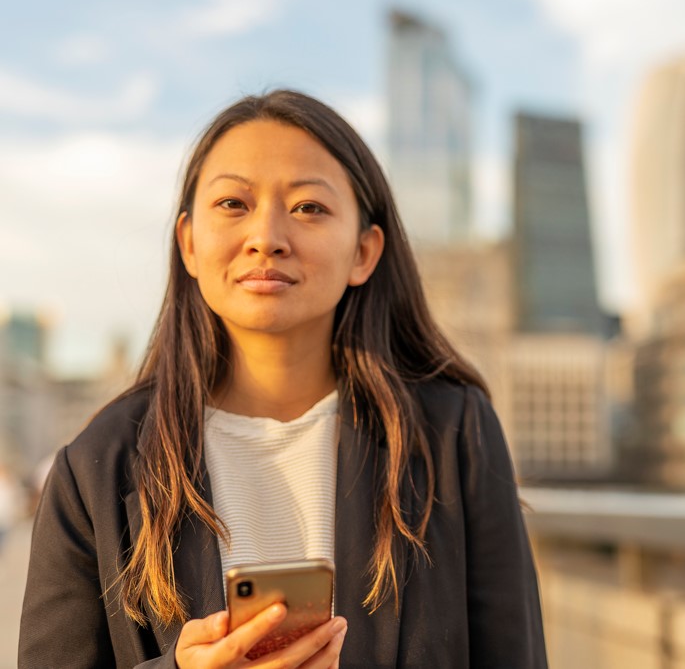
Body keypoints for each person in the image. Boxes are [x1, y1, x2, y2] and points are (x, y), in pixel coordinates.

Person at [19, 90, 548, 668]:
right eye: (232, 203)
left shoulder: (453, 436)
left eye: (308, 208)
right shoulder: (95, 469)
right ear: (189, 244)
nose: (266, 235)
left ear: (364, 252)